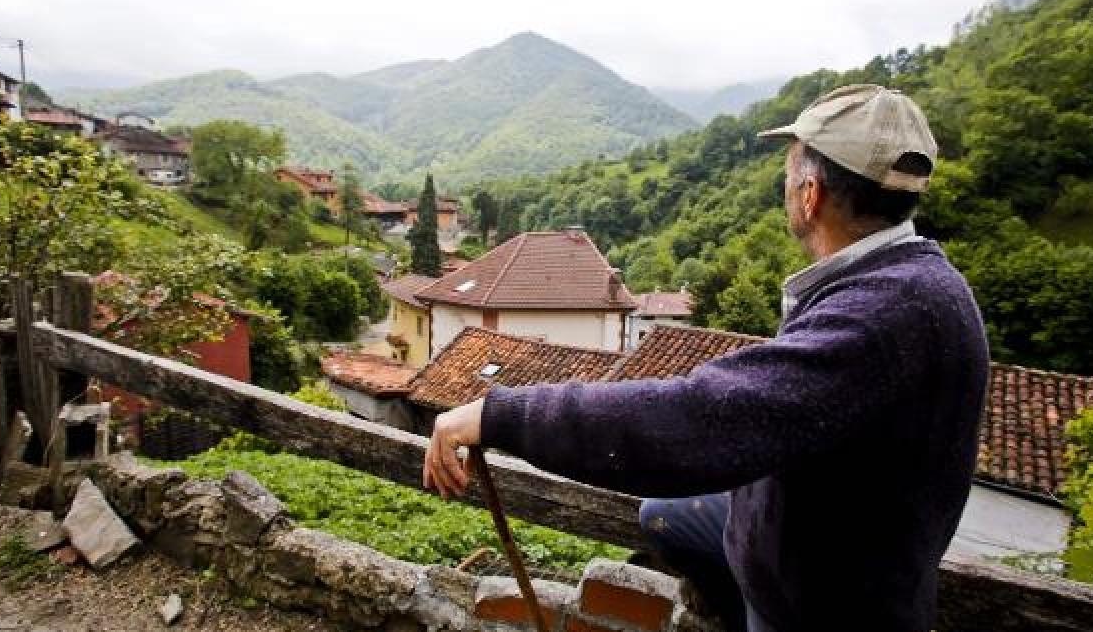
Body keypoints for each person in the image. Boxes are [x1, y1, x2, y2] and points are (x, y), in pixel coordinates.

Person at [422, 84, 989, 632]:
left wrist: (497, 415)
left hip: (824, 605)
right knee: (662, 516)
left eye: (790, 172)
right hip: (807, 548)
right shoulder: (916, 285)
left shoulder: (883, 317)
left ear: (810, 195)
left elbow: (699, 418)